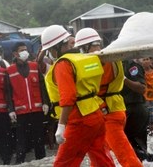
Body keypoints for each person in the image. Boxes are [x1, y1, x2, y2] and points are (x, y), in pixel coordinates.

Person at [41, 25, 114, 167]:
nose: (49, 53)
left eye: (49, 50)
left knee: (63, 163)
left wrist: (61, 125)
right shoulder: (83, 58)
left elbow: (68, 97)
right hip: (95, 114)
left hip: (79, 119)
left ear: (57, 47)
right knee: (101, 159)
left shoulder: (63, 64)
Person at [74, 27, 142, 167]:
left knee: (125, 155)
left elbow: (91, 89)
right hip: (114, 109)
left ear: (85, 47)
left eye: (81, 49)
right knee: (100, 154)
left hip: (107, 112)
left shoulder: (96, 62)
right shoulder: (111, 56)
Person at [6, 42, 47, 164]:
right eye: (21, 50)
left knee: (39, 139)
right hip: (21, 111)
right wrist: (11, 109)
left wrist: (45, 102)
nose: (25, 52)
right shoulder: (10, 70)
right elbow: (8, 92)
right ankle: (20, 163)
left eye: (26, 49)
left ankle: (42, 162)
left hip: (37, 109)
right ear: (15, 53)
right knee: (21, 141)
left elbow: (42, 86)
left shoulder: (35, 66)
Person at [122, 59, 153, 163]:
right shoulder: (115, 65)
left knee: (135, 147)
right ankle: (150, 161)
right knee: (130, 146)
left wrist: (123, 78)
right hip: (125, 110)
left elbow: (142, 88)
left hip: (136, 109)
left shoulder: (132, 66)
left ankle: (151, 161)